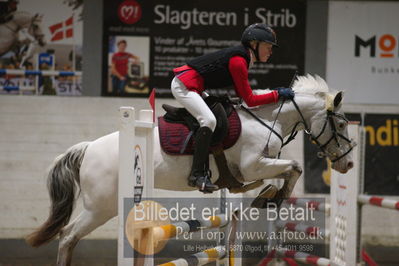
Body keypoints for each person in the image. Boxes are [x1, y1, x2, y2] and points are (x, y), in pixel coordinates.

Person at [171, 23, 295, 193]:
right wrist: (277, 94)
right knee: (208, 120)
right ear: (254, 44)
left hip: (197, 87)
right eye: (268, 46)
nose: (270, 51)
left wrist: (276, 94)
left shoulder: (243, 58)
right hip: (184, 85)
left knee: (221, 113)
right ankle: (197, 175)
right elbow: (250, 100)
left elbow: (243, 97)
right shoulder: (238, 61)